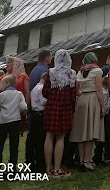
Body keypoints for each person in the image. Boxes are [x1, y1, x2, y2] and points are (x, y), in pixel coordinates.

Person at [42, 49, 77, 178]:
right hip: (65, 108)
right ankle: (57, 169)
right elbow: (73, 96)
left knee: (49, 136)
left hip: (52, 107)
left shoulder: (50, 73)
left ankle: (48, 168)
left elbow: (45, 92)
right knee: (61, 138)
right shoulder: (72, 74)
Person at [70, 53, 105, 172]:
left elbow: (76, 90)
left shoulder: (79, 72)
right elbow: (99, 89)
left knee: (81, 133)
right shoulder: (97, 71)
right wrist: (103, 106)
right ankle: (87, 161)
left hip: (81, 101)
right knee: (90, 133)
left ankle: (81, 160)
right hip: (93, 98)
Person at [0, 75, 28, 167]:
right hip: (15, 120)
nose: (1, 86)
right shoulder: (19, 94)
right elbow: (24, 107)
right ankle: (12, 168)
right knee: (14, 145)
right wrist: (17, 111)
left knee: (0, 144)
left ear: (7, 84)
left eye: (2, 83)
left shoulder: (1, 95)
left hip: (3, 121)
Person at [0, 57, 30, 135]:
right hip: (4, 107)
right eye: (6, 63)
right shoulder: (4, 77)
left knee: (15, 132)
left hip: (17, 107)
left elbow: (26, 92)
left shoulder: (23, 76)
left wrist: (26, 106)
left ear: (16, 64)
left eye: (9, 62)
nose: (7, 65)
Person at [25, 72, 48, 172]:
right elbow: (43, 101)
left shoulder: (35, 88)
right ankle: (39, 161)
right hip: (40, 114)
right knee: (40, 139)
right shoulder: (42, 88)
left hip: (34, 114)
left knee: (32, 138)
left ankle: (30, 160)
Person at [92, 76, 110, 166]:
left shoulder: (104, 92)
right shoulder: (104, 93)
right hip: (103, 116)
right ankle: (98, 156)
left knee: (103, 137)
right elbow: (104, 105)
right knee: (103, 137)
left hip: (103, 116)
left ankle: (99, 156)